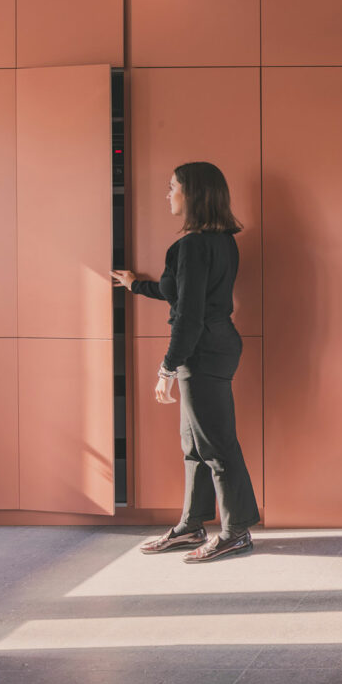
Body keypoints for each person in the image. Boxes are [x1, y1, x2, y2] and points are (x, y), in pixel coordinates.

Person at [112, 161, 260, 562]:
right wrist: (136, 285)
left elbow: (189, 314)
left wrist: (167, 369)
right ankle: (192, 526)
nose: (168, 194)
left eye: (173, 186)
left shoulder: (192, 246)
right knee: (194, 443)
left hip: (203, 348)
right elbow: (184, 293)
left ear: (192, 194)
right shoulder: (223, 240)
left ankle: (235, 532)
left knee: (215, 445)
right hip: (216, 342)